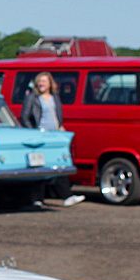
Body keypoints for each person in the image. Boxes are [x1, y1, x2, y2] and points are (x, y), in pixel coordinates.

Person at [21, 71, 84, 208]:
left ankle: (67, 196)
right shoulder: (32, 97)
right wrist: (34, 132)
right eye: (39, 81)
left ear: (50, 83)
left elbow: (57, 114)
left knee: (59, 164)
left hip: (55, 135)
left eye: (44, 81)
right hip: (41, 136)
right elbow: (25, 116)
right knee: (40, 166)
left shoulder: (54, 97)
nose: (41, 83)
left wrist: (60, 126)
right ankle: (37, 199)